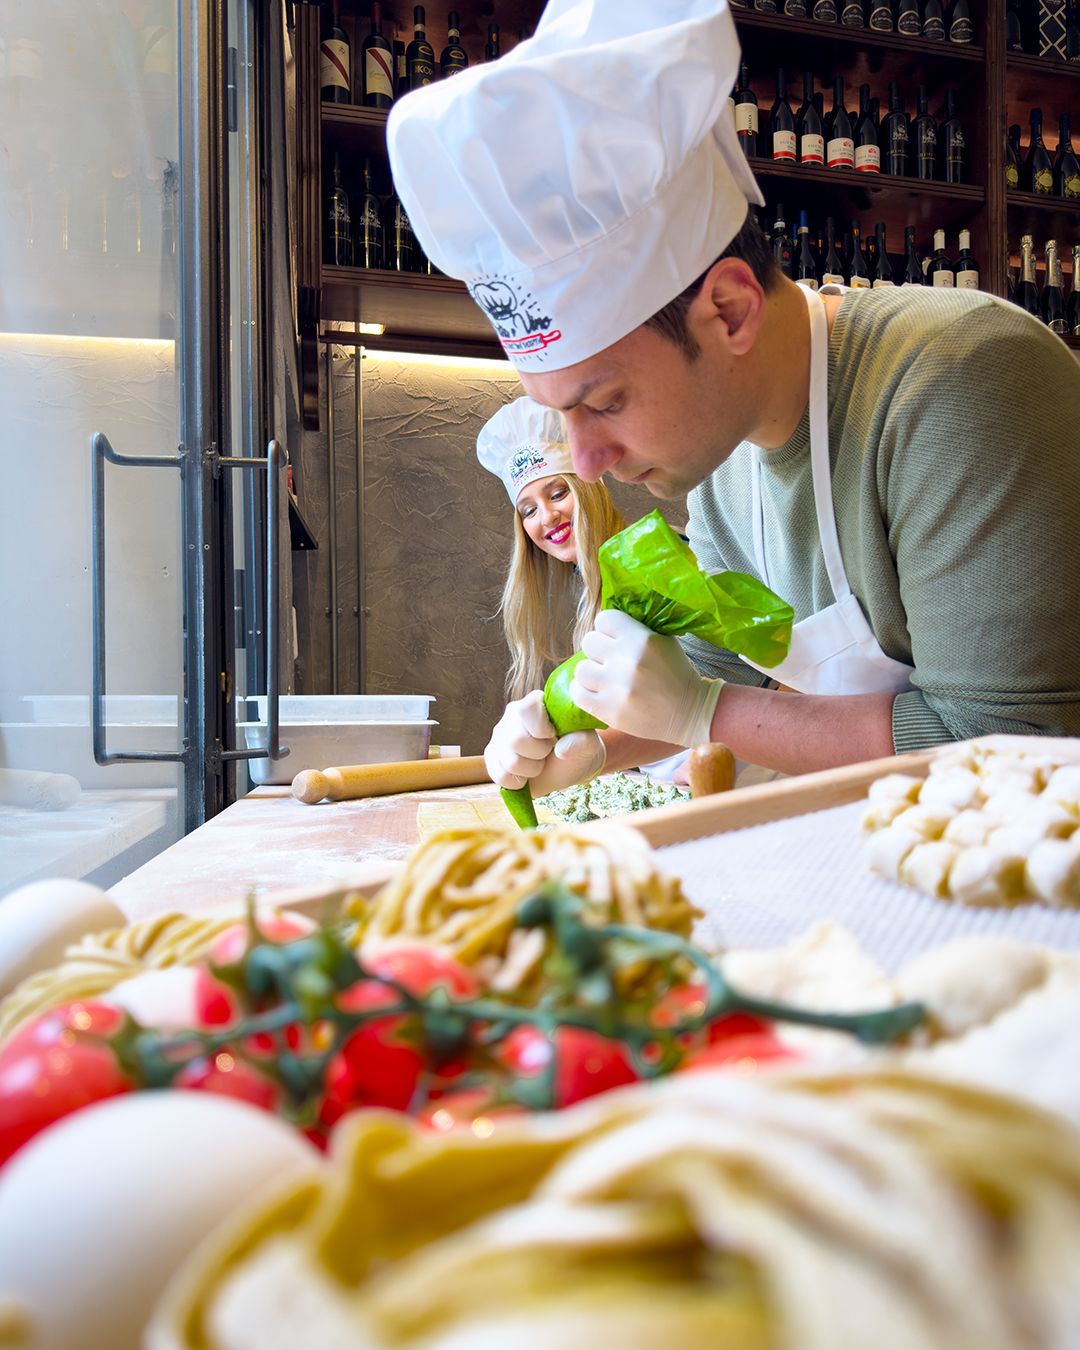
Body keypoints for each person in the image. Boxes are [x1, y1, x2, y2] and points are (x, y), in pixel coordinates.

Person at [388, 0, 1080, 799]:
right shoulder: (718, 457)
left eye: (604, 401)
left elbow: (1014, 747)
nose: (586, 463)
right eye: (562, 414)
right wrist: (591, 747)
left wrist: (706, 713)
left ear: (730, 311)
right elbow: (712, 666)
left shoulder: (961, 383)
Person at [477, 397, 625, 703]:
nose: (547, 517)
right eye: (529, 511)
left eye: (558, 494)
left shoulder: (649, 560)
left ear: (589, 490)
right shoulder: (586, 587)